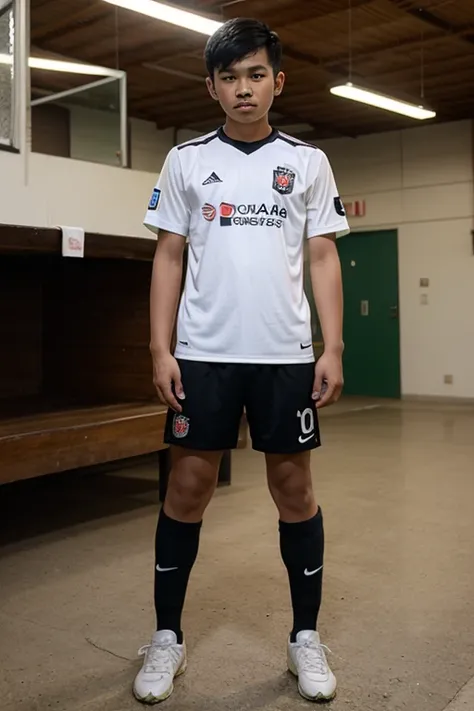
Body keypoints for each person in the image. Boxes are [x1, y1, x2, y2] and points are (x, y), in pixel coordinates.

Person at [134, 16, 349, 705]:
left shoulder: (308, 162)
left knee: (294, 492)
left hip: (285, 356)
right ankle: (167, 636)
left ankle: (304, 636)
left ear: (277, 81)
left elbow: (322, 256)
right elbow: (168, 256)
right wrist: (160, 347)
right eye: (229, 77)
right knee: (187, 488)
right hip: (203, 355)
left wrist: (332, 345)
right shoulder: (186, 160)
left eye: (256, 74)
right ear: (212, 88)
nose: (244, 88)